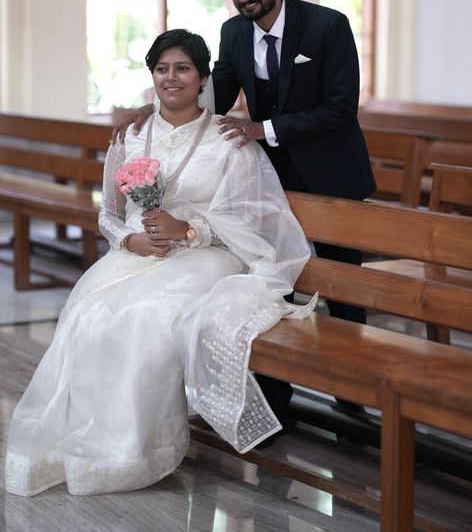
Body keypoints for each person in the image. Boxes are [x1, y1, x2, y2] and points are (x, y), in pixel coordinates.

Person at [4, 28, 314, 497]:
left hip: (208, 257)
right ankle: (93, 440)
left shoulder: (230, 141)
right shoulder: (130, 135)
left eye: (184, 68)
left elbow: (253, 221)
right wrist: (130, 240)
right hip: (138, 256)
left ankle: (141, 450)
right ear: (152, 76)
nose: (172, 78)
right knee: (90, 314)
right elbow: (108, 213)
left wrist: (188, 231)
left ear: (204, 77)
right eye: (162, 69)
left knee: (144, 315)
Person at [114, 0, 376, 427]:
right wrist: (153, 113)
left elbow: (341, 108)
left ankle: (352, 393)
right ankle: (278, 395)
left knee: (344, 284)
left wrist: (264, 128)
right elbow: (212, 102)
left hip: (331, 177)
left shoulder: (327, 26)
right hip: (268, 180)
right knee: (271, 278)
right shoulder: (234, 31)